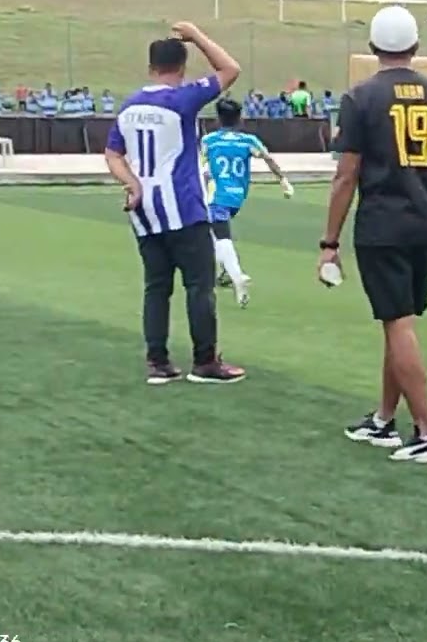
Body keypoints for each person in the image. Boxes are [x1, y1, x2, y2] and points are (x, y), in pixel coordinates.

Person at [322, 4, 427, 462]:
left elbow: (346, 175)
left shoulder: (360, 98)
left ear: (372, 48)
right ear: (415, 46)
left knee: (397, 323)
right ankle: (385, 419)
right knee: (400, 319)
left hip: (382, 223)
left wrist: (329, 243)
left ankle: (426, 431)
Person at [104, 22, 246, 386]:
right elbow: (231, 69)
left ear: (150, 66)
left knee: (157, 286)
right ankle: (205, 361)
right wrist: (197, 35)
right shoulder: (182, 99)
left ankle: (158, 361)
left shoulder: (129, 105)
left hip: (144, 212)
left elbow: (112, 153)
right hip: (183, 207)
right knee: (199, 286)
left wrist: (131, 183)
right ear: (181, 67)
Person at [201, 97, 296, 307]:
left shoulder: (210, 141)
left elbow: (198, 165)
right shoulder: (248, 140)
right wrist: (283, 180)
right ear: (239, 118)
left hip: (216, 196)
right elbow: (268, 158)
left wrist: (204, 174)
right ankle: (224, 272)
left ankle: (237, 276)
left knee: (217, 235)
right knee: (210, 235)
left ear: (218, 118)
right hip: (237, 197)